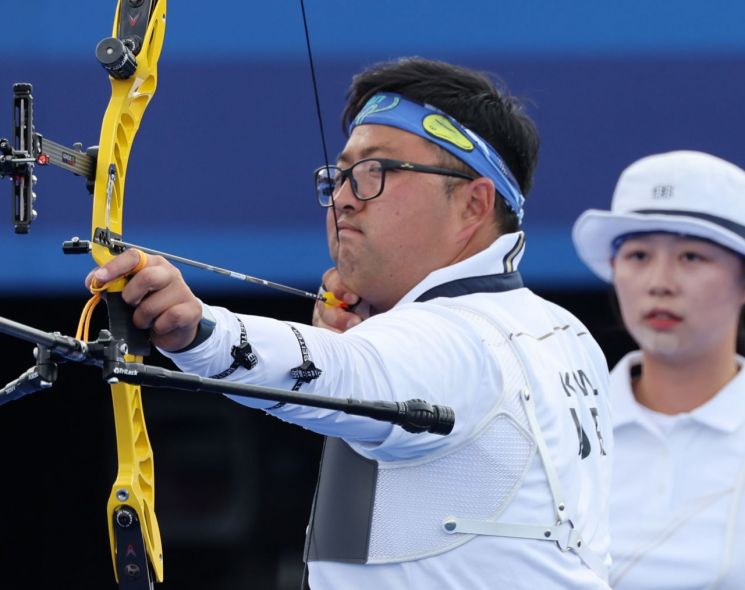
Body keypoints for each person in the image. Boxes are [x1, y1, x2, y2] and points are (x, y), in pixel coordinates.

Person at [91, 57, 612, 589]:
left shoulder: (458, 338)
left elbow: (351, 367)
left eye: (374, 173)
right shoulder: (564, 331)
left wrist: (199, 331)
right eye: (339, 176)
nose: (343, 197)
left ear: (473, 203)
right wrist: (378, 331)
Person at [572, 150, 745, 589]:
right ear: (613, 269)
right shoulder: (554, 425)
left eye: (691, 257)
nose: (660, 282)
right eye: (638, 256)